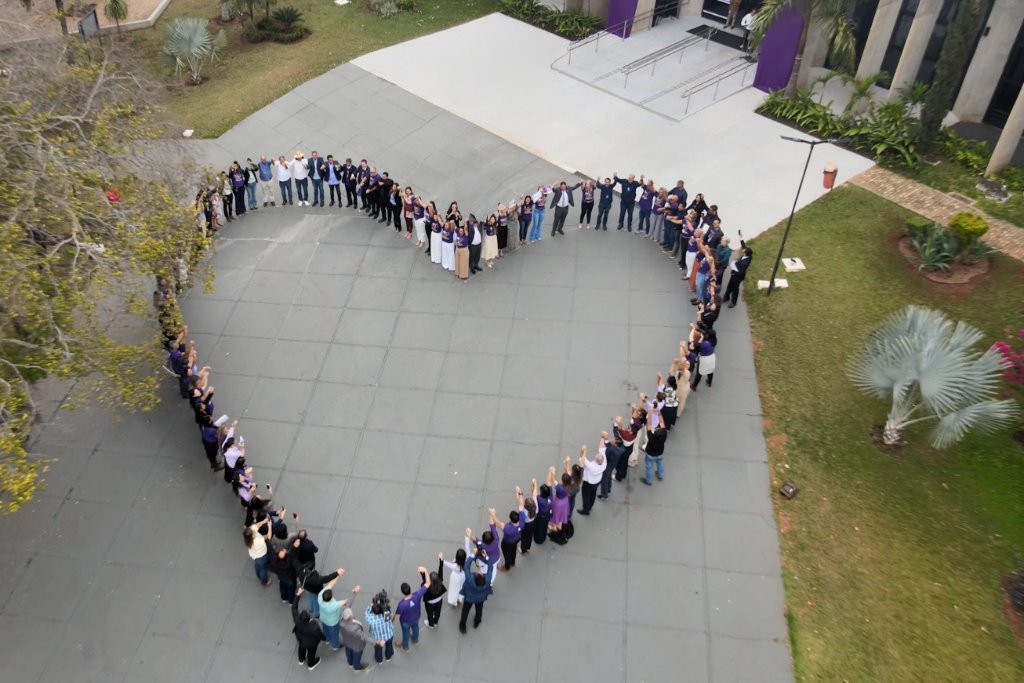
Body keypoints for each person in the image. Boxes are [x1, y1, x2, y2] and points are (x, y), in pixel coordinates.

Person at [339, 586, 380, 672]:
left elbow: (348, 605)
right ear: (351, 616)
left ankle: (350, 662)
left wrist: (354, 593)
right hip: (357, 646)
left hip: (347, 642)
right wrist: (377, 642)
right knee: (357, 657)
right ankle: (357, 667)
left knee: (348, 653)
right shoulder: (356, 629)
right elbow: (365, 637)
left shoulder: (342, 621)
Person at [393, 567, 430, 651]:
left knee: (405, 633)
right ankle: (415, 639)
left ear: (403, 592)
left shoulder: (401, 604)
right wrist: (425, 571)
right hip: (416, 617)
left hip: (405, 622)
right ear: (409, 589)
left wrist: (391, 621)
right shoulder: (417, 595)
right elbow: (428, 583)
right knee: (415, 627)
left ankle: (405, 646)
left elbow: (397, 617)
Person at [458, 550, 494, 633]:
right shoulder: (487, 580)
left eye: (479, 573)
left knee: (465, 611)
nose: (480, 571)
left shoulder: (470, 579)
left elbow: (466, 566)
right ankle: (477, 621)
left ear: (476, 576)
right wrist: (486, 557)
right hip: (480, 598)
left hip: (469, 598)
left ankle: (462, 625)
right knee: (479, 609)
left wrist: (473, 554)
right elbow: (491, 568)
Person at [292, 587, 325, 671]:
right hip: (311, 643)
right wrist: (324, 638)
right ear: (309, 617)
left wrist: (298, 594)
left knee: (301, 648)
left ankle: (301, 659)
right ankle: (311, 664)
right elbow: (320, 636)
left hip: (301, 639)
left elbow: (294, 608)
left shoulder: (297, 620)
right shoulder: (314, 626)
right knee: (311, 653)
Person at [318, 571, 349, 651]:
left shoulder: (320, 596)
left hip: (323, 618)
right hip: (333, 622)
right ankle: (335, 645)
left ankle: (327, 639)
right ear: (330, 598)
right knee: (335, 634)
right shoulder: (334, 605)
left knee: (325, 629)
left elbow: (330, 585)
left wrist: (337, 575)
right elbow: (345, 601)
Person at [494, 494, 523, 571]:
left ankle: (507, 566)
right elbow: (521, 505)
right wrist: (520, 494)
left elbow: (498, 523)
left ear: (511, 519)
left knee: (507, 554)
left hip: (507, 543)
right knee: (513, 550)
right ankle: (513, 562)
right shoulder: (522, 521)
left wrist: (492, 515)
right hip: (517, 539)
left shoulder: (508, 528)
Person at [365, 591, 395, 665]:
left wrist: (373, 603)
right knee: (389, 645)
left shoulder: (371, 619)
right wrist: (383, 603)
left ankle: (379, 660)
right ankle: (388, 657)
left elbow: (367, 612)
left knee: (378, 649)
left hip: (377, 638)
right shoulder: (387, 614)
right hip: (389, 635)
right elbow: (388, 610)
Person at [724, 233, 752, 308]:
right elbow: (744, 246)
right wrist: (741, 237)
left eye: (744, 252)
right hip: (734, 274)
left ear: (746, 254)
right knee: (729, 286)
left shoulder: (745, 263)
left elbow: (740, 272)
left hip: (737, 276)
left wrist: (733, 267)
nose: (743, 251)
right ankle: (726, 297)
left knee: (735, 289)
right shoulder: (747, 255)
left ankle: (733, 302)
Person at [640, 411, 668, 486]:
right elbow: (662, 422)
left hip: (650, 455)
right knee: (660, 463)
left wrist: (649, 415)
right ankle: (660, 475)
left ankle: (649, 481)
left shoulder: (651, 437)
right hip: (660, 453)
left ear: (654, 433)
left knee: (649, 467)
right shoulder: (664, 435)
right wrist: (658, 412)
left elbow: (648, 424)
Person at [577, 443, 605, 515]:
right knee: (593, 493)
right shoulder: (604, 464)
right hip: (597, 481)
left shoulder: (592, 466)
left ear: (596, 460)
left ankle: (586, 510)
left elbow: (582, 459)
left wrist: (584, 450)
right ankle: (591, 505)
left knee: (585, 496)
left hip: (589, 483)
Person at [243, 519, 272, 587]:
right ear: (252, 536)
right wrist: (269, 526)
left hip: (255, 556)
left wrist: (264, 521)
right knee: (263, 569)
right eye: (253, 533)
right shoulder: (258, 541)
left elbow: (256, 526)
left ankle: (258, 574)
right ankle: (264, 581)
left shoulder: (248, 536)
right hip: (261, 557)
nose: (254, 532)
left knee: (258, 565)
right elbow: (269, 537)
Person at [422, 555, 447, 628]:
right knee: (437, 612)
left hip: (430, 603)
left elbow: (424, 581)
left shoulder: (427, 586)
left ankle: (431, 624)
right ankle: (435, 622)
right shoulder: (440, 581)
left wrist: (423, 573)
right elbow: (441, 570)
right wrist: (441, 561)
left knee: (430, 614)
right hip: (439, 600)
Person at [599, 434, 625, 499]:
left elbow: (609, 448)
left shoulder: (615, 450)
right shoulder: (619, 448)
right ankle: (608, 488)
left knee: (604, 480)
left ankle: (604, 494)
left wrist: (605, 439)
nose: (612, 440)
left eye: (613, 441)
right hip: (611, 465)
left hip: (608, 466)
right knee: (608, 477)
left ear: (616, 445)